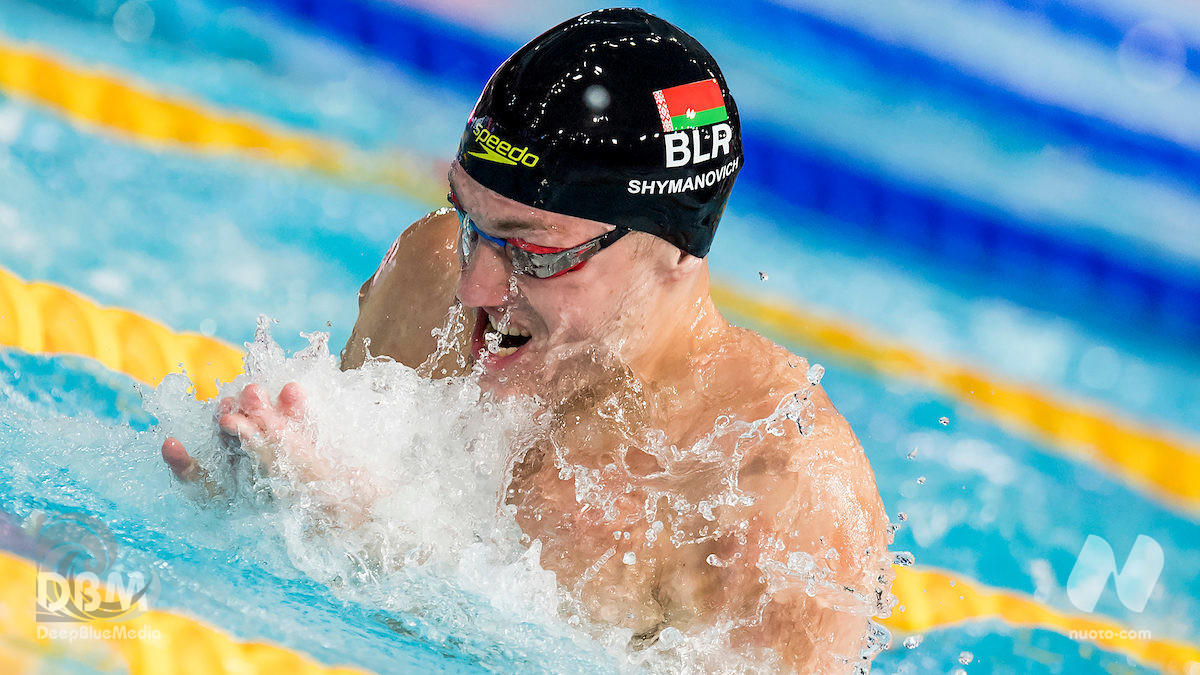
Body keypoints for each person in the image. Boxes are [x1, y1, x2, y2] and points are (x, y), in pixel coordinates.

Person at [161, 9, 892, 672]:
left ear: (675, 246)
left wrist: (370, 547)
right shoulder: (424, 277)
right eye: (468, 222)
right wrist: (251, 512)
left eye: (533, 251)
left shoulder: (774, 497)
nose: (472, 289)